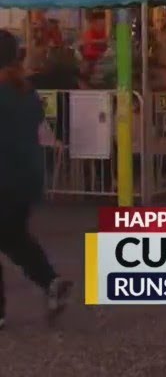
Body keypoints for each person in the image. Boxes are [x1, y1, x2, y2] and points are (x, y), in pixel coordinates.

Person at [0, 29, 72, 329]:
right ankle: (51, 282)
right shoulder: (25, 90)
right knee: (14, 237)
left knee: (12, 236)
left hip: (4, 175)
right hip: (27, 177)